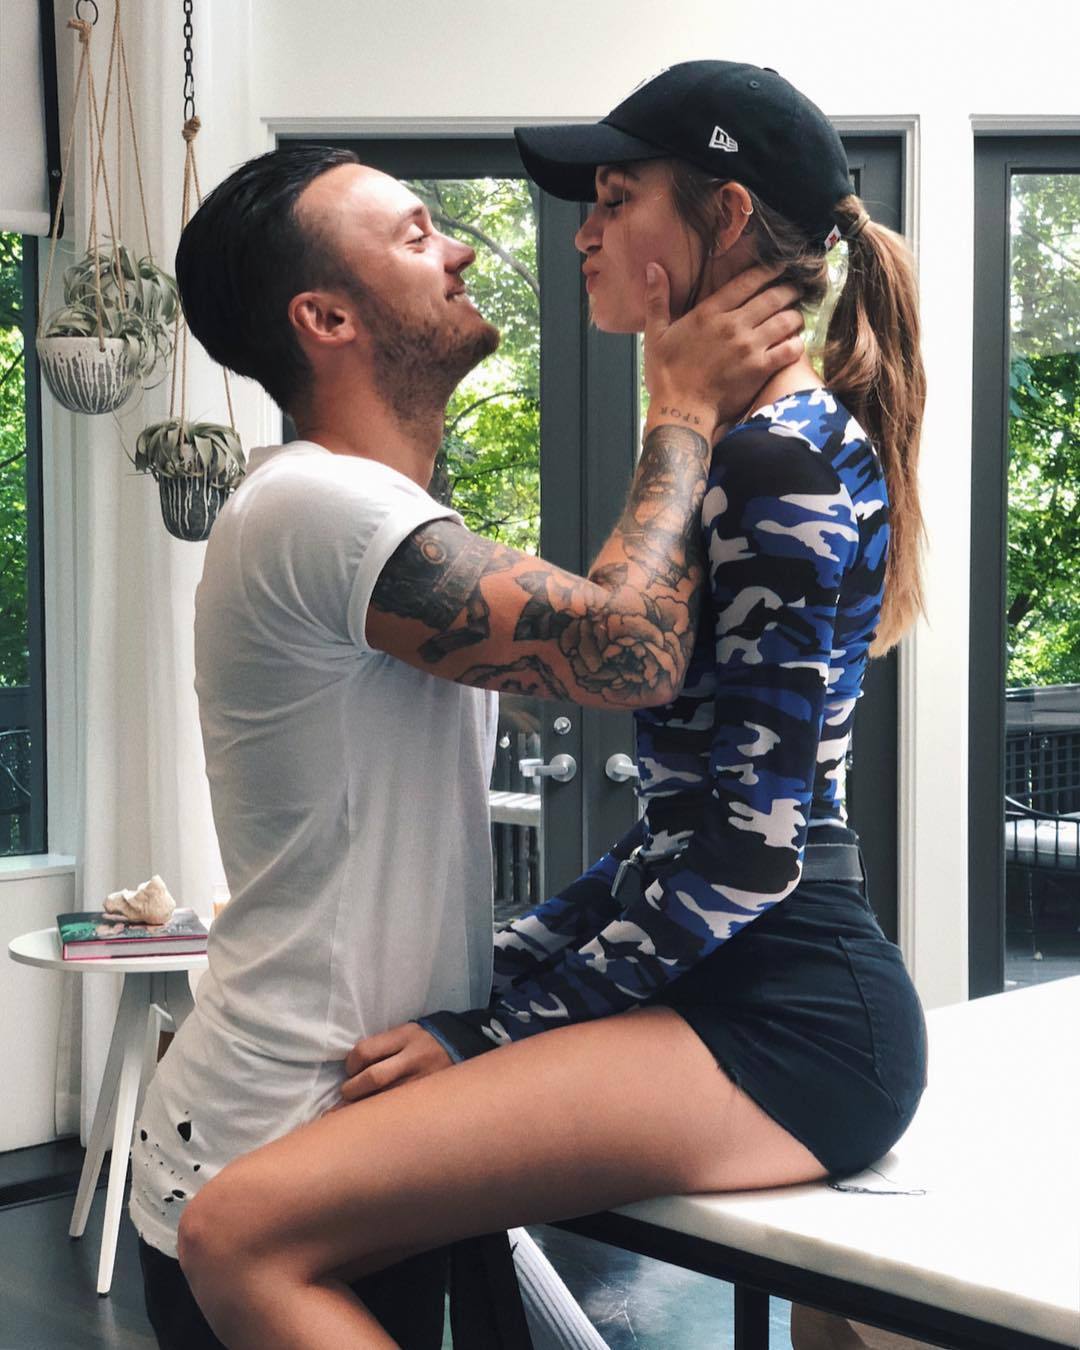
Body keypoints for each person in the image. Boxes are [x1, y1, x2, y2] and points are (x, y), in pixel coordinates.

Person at [173, 60, 930, 1350]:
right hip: (739, 986)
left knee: (238, 1232)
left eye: (617, 197)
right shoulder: (738, 450)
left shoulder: (773, 458)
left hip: (787, 1012)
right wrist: (512, 979)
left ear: (723, 218)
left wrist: (494, 1024)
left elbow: (745, 852)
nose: (580, 229)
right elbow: (675, 817)